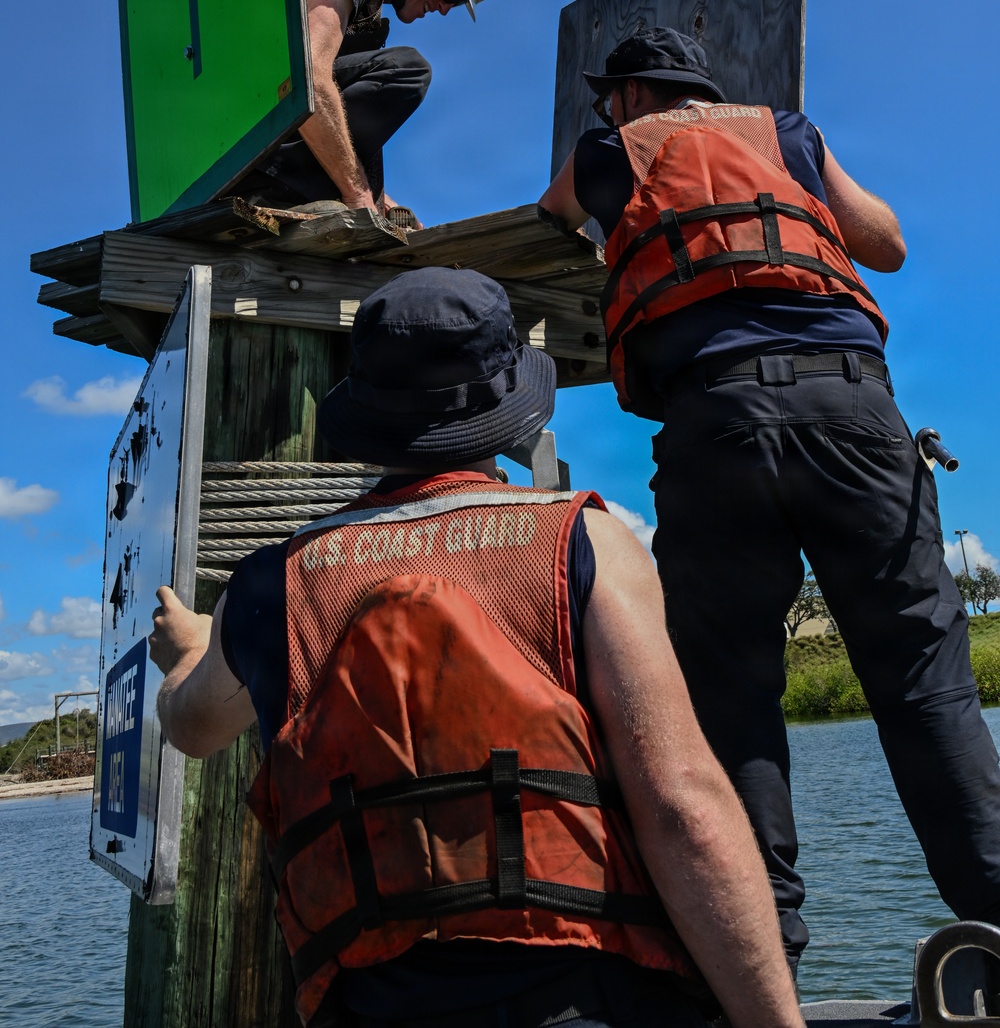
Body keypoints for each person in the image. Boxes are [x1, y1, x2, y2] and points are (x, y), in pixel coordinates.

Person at [150, 267, 804, 1028]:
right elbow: (683, 802)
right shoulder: (579, 542)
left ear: (365, 411)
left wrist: (194, 649)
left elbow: (189, 726)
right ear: (510, 410)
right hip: (587, 1000)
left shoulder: (270, 586)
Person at [538, 26, 1000, 972]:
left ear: (629, 96)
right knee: (922, 681)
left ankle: (761, 957)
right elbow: (888, 244)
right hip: (854, 408)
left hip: (716, 425)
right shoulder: (788, 132)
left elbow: (550, 220)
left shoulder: (607, 152)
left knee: (731, 701)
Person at [234, 0, 513, 218]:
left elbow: (328, 107)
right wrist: (358, 196)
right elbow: (307, 75)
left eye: (458, 3)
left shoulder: (363, 8)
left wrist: (381, 200)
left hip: (238, 131)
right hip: (243, 140)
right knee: (408, 70)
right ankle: (279, 188)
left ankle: (297, 185)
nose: (444, 8)